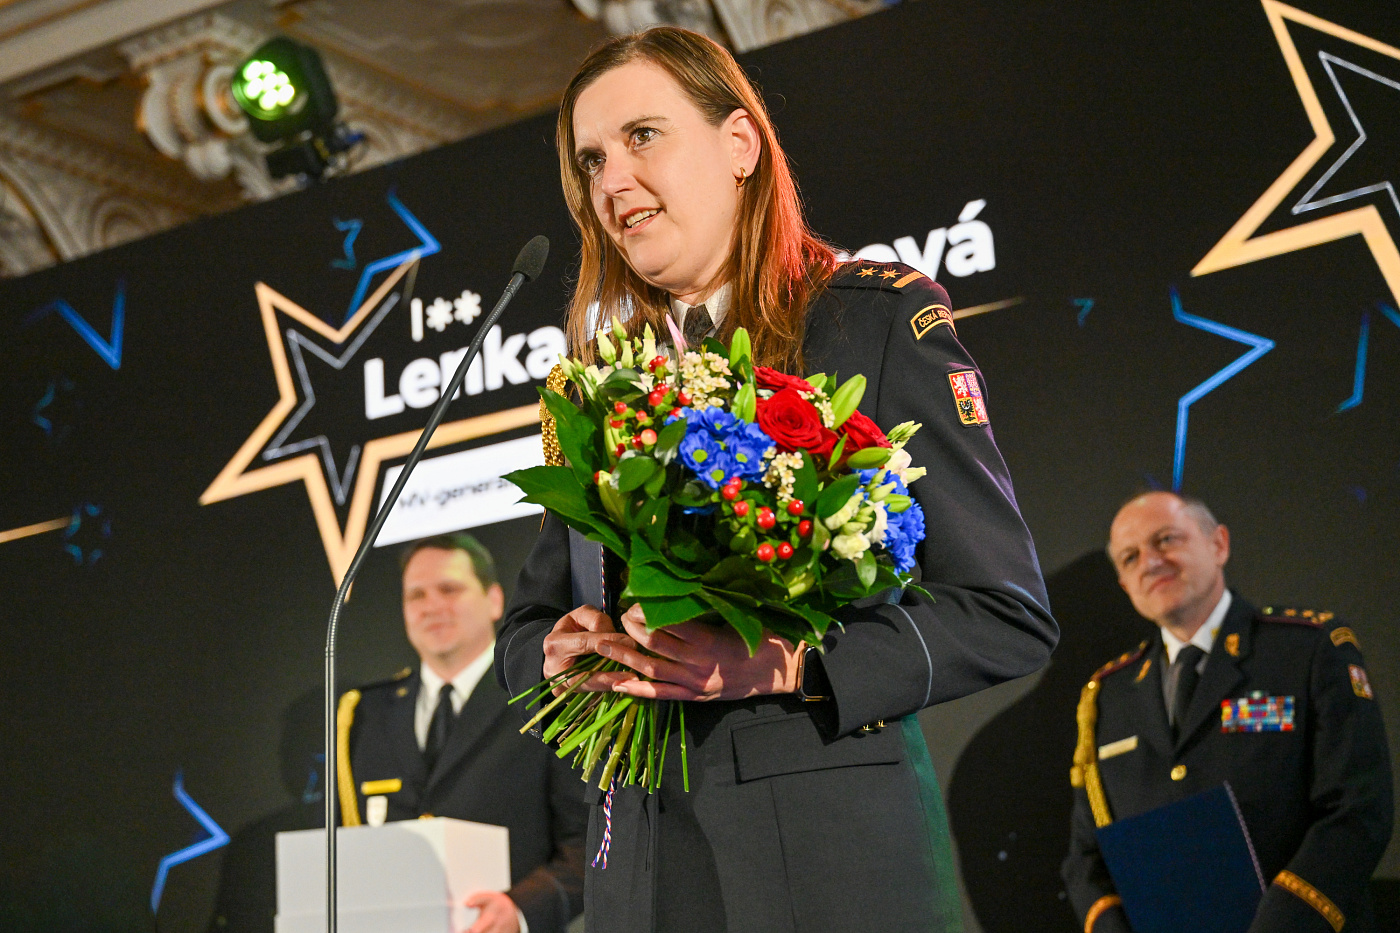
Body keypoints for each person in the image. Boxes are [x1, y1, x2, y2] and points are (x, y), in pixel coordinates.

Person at [494, 27, 1057, 933]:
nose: (611, 181)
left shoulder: (872, 322)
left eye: (642, 136)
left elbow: (1005, 612)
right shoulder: (595, 386)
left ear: (740, 145)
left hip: (827, 867)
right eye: (591, 160)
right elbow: (527, 626)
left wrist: (794, 663)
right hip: (639, 873)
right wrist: (560, 655)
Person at [1061, 491, 1393, 933]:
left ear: (1219, 544)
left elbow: (1357, 809)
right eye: (1130, 557)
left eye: (1165, 540)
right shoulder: (1108, 694)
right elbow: (1087, 858)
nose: (1150, 562)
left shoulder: (1307, 649)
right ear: (1124, 584)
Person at [339, 534, 587, 933]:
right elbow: (348, 848)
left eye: (449, 589)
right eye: (416, 595)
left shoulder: (540, 695)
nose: (431, 606)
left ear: (494, 600)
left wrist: (520, 910)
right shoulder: (363, 714)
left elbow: (588, 839)